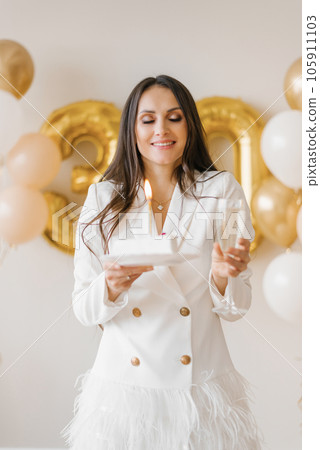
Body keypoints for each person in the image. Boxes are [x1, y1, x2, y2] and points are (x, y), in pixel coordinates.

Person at [61, 75, 262, 449]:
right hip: (124, 395)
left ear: (189, 125)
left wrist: (221, 277)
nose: (162, 130)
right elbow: (83, 309)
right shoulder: (101, 198)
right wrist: (110, 287)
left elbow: (238, 307)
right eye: (148, 119)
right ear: (131, 130)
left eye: (174, 117)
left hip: (200, 392)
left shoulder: (223, 191)